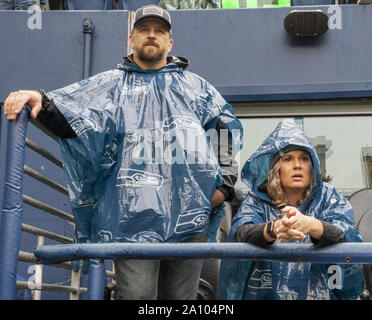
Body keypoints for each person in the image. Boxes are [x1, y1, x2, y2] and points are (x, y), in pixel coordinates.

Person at [3, 5, 242, 300]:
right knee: (138, 297)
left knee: (182, 300)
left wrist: (219, 191)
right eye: (144, 30)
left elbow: (225, 137)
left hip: (189, 220)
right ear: (131, 39)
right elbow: (72, 116)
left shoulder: (197, 89)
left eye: (159, 31)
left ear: (170, 42)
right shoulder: (109, 87)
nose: (151, 35)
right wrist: (38, 97)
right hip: (133, 221)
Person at [219, 119, 365, 300]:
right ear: (276, 169)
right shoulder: (257, 200)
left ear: (313, 166)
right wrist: (274, 229)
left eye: (304, 158)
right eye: (288, 159)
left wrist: (311, 225)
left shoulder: (328, 196)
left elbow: (344, 234)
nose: (298, 165)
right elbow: (242, 232)